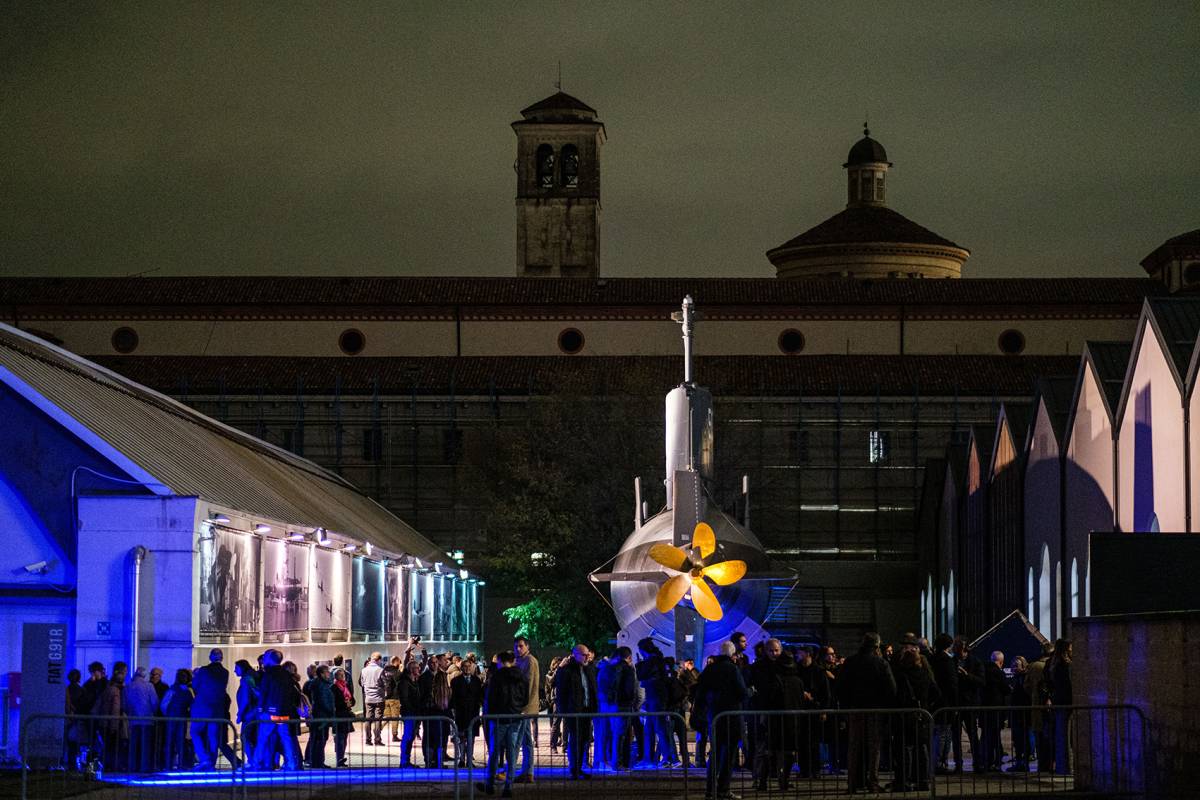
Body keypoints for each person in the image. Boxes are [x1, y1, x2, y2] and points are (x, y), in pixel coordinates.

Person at [839, 632, 896, 793]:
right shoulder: (881, 663)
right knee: (874, 748)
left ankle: (852, 783)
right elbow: (891, 689)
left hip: (855, 709)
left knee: (854, 746)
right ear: (877, 646)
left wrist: (846, 705)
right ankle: (873, 782)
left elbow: (841, 687)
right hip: (875, 710)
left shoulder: (850, 662)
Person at [698, 640, 750, 800]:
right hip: (732, 716)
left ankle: (709, 789)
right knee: (728, 754)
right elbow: (742, 692)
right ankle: (723, 789)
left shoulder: (710, 669)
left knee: (714, 753)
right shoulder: (733, 669)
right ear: (733, 654)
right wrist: (750, 692)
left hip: (714, 716)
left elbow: (700, 690)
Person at [476, 651, 528, 798]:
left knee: (494, 752)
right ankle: (508, 786)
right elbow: (525, 698)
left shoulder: (497, 677)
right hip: (515, 718)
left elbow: (491, 699)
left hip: (498, 718)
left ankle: (490, 782)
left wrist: (490, 714)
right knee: (511, 753)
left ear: (501, 661)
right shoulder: (521, 676)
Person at [891, 646, 940, 791]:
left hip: (905, 716)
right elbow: (936, 694)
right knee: (922, 748)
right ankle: (923, 780)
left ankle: (904, 781)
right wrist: (927, 706)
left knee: (905, 748)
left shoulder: (902, 676)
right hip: (923, 716)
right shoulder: (925, 675)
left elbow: (897, 696)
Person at [553, 643, 599, 779]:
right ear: (575, 655)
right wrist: (564, 710)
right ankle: (574, 768)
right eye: (584, 655)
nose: (587, 657)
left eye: (587, 654)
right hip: (573, 711)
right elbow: (561, 692)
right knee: (575, 740)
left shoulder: (588, 669)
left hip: (586, 710)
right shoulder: (567, 670)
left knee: (584, 739)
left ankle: (578, 768)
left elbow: (592, 689)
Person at [253, 649, 302, 771]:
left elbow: (264, 693)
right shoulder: (286, 675)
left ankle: (255, 762)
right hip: (284, 713)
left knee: (262, 739)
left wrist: (260, 709)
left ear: (269, 659)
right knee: (286, 739)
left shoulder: (268, 674)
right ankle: (291, 764)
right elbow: (291, 694)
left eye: (265, 657)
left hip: (269, 713)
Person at [190, 648, 240, 770]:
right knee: (213, 736)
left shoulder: (204, 670)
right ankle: (211, 763)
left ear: (211, 657)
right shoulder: (225, 672)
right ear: (221, 658)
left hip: (202, 708)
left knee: (195, 732)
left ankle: (204, 759)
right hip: (217, 709)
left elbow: (195, 685)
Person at [635, 638, 676, 766]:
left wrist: (639, 664)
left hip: (655, 698)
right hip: (657, 698)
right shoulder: (659, 660)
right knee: (651, 729)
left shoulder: (652, 661)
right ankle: (650, 758)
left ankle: (666, 758)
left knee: (659, 729)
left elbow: (641, 675)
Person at [928, 633, 960, 773]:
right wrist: (956, 702)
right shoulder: (947, 661)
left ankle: (936, 761)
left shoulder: (932, 659)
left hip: (935, 701)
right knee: (944, 733)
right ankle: (940, 762)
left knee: (937, 733)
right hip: (946, 702)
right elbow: (952, 684)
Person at [953, 637, 985, 773]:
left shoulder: (975, 662)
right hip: (956, 703)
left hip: (970, 702)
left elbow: (981, 681)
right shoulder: (952, 661)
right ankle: (958, 764)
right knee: (956, 736)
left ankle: (977, 763)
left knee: (972, 734)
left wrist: (967, 675)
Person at [512, 637, 540, 784]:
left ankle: (513, 770)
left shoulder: (529, 661)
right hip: (525, 707)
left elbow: (527, 685)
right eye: (516, 646)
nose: (518, 649)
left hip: (524, 708)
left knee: (519, 740)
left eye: (521, 646)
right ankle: (527, 771)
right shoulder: (521, 660)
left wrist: (522, 706)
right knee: (526, 740)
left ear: (527, 646)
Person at [420, 652, 454, 767]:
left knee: (441, 737)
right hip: (430, 712)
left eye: (435, 662)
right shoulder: (424, 677)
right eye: (432, 663)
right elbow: (422, 695)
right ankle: (429, 761)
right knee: (429, 737)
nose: (434, 665)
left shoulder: (442, 675)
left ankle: (438, 761)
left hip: (442, 711)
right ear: (429, 664)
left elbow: (448, 693)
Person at [124, 666, 159, 773]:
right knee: (146, 745)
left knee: (133, 744)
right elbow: (154, 702)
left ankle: (132, 766)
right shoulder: (149, 686)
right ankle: (145, 767)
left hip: (133, 719)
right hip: (147, 719)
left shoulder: (128, 687)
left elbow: (125, 704)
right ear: (144, 675)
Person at [451, 658, 485, 767]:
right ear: (461, 668)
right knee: (461, 737)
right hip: (461, 712)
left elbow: (479, 696)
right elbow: (454, 697)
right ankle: (462, 759)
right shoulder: (455, 681)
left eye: (469, 666)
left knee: (471, 738)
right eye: (464, 666)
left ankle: (470, 759)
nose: (467, 668)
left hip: (473, 712)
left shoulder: (476, 680)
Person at [1047, 638, 1073, 775]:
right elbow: (1068, 685)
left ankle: (1062, 766)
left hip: (1058, 701)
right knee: (1066, 737)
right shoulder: (1065, 666)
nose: (1072, 650)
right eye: (1070, 648)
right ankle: (1067, 767)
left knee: (1061, 735)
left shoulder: (1052, 664)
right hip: (1067, 702)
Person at [95, 661, 127, 771]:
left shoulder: (108, 688)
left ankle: (106, 767)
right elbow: (115, 710)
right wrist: (114, 726)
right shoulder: (116, 691)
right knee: (114, 747)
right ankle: (113, 768)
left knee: (107, 747)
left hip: (103, 722)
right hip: (111, 724)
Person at [981, 650, 1010, 771]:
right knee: (994, 735)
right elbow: (1006, 689)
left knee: (986, 735)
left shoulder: (983, 670)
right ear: (1001, 662)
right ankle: (995, 760)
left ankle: (985, 760)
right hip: (996, 708)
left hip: (984, 707)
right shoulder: (998, 672)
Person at [160, 669, 194, 770]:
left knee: (170, 742)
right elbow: (191, 705)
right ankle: (180, 765)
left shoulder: (172, 689)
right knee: (180, 743)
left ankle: (168, 765)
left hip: (171, 718)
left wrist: (167, 715)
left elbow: (164, 704)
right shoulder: (187, 692)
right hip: (182, 718)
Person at [395, 658, 424, 767]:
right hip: (409, 713)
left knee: (410, 737)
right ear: (412, 669)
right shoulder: (405, 682)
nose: (419, 669)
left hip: (416, 712)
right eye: (417, 668)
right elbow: (405, 699)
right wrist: (412, 709)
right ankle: (404, 761)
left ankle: (407, 760)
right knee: (407, 736)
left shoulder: (415, 681)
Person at [308, 665, 336, 768]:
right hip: (322, 717)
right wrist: (331, 711)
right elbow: (324, 702)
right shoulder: (322, 686)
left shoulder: (319, 684)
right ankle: (318, 762)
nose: (329, 674)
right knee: (321, 739)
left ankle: (317, 761)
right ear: (322, 674)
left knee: (319, 739)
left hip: (320, 716)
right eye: (327, 672)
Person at [1007, 655, 1032, 772]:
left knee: (1021, 739)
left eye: (1016, 665)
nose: (1013, 667)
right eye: (1012, 665)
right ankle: (1020, 762)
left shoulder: (1022, 678)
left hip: (1021, 714)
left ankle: (1021, 763)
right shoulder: (1017, 678)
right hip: (1017, 713)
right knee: (1018, 739)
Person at [359, 652, 386, 746]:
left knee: (368, 719)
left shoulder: (363, 670)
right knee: (378, 719)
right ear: (378, 660)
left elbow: (362, 683)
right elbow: (384, 683)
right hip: (379, 698)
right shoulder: (380, 670)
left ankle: (368, 739)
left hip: (368, 698)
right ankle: (377, 739)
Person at [331, 667, 356, 767]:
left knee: (344, 738)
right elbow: (335, 702)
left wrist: (350, 703)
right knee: (339, 738)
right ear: (336, 676)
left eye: (343, 675)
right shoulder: (333, 688)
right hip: (339, 715)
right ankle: (339, 758)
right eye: (340, 675)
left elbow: (352, 699)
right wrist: (345, 703)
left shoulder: (345, 686)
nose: (342, 677)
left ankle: (341, 757)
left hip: (346, 715)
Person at [234, 660, 260, 756]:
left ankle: (252, 759)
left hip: (250, 712)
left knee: (244, 737)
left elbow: (245, 698)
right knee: (254, 737)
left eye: (236, 668)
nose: (234, 671)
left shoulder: (246, 679)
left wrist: (240, 714)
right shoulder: (253, 676)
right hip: (255, 711)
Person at [383, 655, 404, 742]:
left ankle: (377, 729)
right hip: (395, 698)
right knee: (395, 717)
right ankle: (394, 735)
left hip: (386, 698)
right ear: (396, 662)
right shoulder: (396, 671)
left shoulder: (384, 671)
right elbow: (399, 680)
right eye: (399, 661)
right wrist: (401, 671)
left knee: (387, 717)